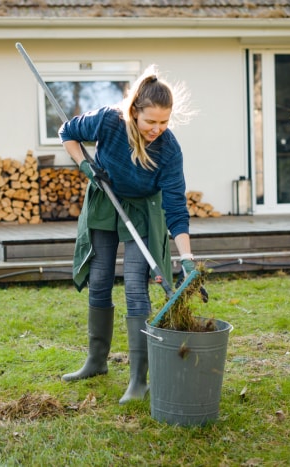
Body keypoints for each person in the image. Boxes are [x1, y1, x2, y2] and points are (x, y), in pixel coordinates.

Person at [58, 65, 196, 404]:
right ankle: (96, 362)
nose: (157, 129)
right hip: (107, 199)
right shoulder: (109, 120)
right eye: (150, 121)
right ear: (133, 111)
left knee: (135, 286)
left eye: (164, 122)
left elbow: (176, 209)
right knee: (101, 278)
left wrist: (188, 259)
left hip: (144, 210)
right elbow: (67, 131)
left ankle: (138, 380)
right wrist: (84, 165)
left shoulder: (169, 150)